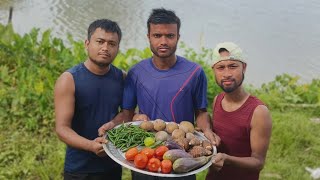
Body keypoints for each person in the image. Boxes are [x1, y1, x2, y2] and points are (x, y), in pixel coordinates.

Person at [99, 8, 220, 180]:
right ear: (148, 37)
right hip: (145, 155)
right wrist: (112, 124)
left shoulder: (195, 72)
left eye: (170, 36)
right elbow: (126, 113)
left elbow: (200, 112)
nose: (163, 41)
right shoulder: (136, 72)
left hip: (182, 157)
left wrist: (207, 130)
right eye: (157, 36)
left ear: (178, 37)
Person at [54, 19, 124, 180]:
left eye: (112, 44)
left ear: (118, 48)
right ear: (87, 43)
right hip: (79, 169)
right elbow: (62, 129)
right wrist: (90, 146)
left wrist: (113, 123)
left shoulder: (122, 77)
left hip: (112, 165)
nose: (105, 48)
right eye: (100, 41)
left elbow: (126, 114)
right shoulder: (69, 79)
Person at [206, 42, 272, 180]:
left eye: (233, 66)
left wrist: (227, 159)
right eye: (220, 68)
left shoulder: (258, 111)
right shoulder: (218, 100)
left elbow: (258, 162)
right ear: (214, 70)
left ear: (244, 68)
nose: (227, 74)